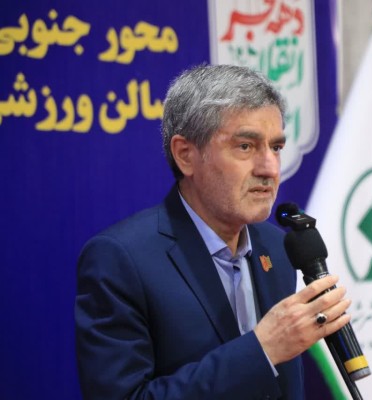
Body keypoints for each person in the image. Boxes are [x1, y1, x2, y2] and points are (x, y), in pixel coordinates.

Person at [74, 64, 351, 399]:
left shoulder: (277, 247)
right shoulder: (121, 259)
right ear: (186, 155)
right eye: (245, 146)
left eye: (276, 148)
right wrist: (262, 350)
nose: (269, 168)